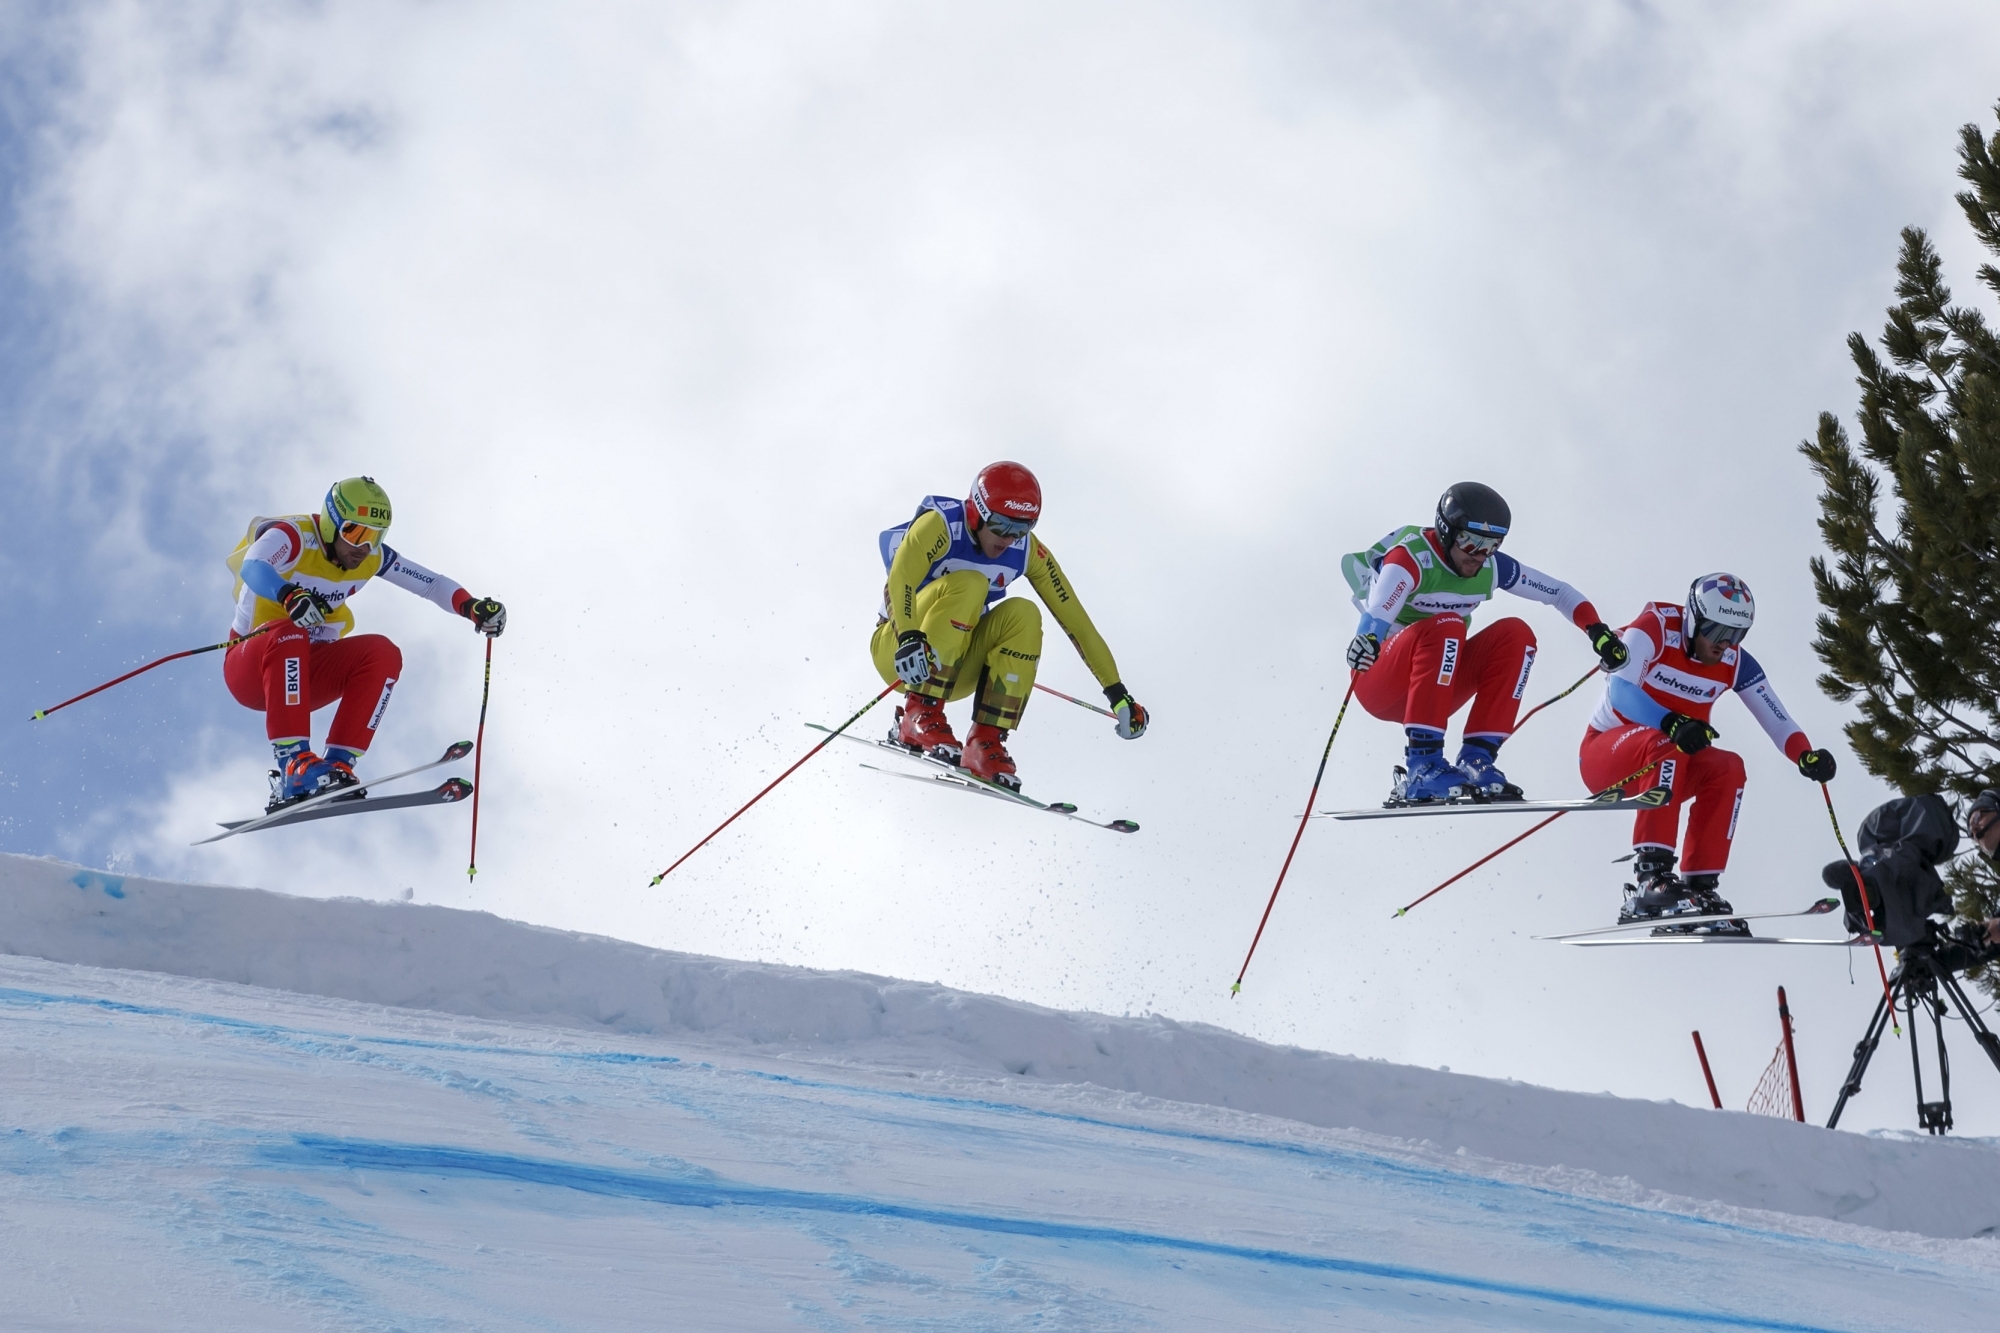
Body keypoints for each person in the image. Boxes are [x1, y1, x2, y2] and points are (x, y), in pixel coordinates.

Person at [222, 477, 506, 810]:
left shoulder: (373, 558)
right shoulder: (294, 537)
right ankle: (293, 765)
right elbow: (254, 567)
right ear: (331, 524)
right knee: (291, 630)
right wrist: (288, 594)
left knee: (382, 653)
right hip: (251, 668)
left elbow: (431, 584)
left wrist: (470, 607)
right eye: (355, 533)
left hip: (303, 677)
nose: (363, 547)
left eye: (374, 537)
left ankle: (337, 765)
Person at [1342, 483, 1628, 803]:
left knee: (1516, 635)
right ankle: (1421, 766)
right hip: (1380, 680)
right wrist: (1366, 639)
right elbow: (1379, 611)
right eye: (1471, 542)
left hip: (1436, 684)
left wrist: (1598, 632)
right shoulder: (1411, 558)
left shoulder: (1491, 567)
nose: (1479, 555)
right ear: (1447, 531)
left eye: (1491, 545)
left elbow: (1559, 593)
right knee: (1449, 624)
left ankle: (1476, 760)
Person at [1581, 572, 1836, 929]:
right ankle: (1650, 881)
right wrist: (1671, 722)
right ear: (1692, 618)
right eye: (1717, 632)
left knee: (1728, 766)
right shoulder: (1655, 627)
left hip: (1667, 774)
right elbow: (1620, 691)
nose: (1724, 645)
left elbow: (1778, 721)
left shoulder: (1734, 663)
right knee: (1666, 743)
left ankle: (1699, 888)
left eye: (1736, 636)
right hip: (1607, 759)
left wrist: (1804, 755)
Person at [873, 461, 1146, 791]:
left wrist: (1118, 694)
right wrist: (910, 637)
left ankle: (984, 743)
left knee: (1025, 614)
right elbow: (898, 579)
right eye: (1001, 525)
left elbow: (1076, 621)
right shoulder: (941, 525)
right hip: (902, 653)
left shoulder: (1026, 549)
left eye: (1021, 528)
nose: (1008, 539)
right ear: (977, 512)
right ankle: (918, 714)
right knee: (972, 583)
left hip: (954, 666)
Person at [1819, 793, 1958, 947]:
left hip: (1910, 903)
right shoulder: (1872, 846)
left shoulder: (1872, 849)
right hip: (1907, 913)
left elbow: (1905, 860)